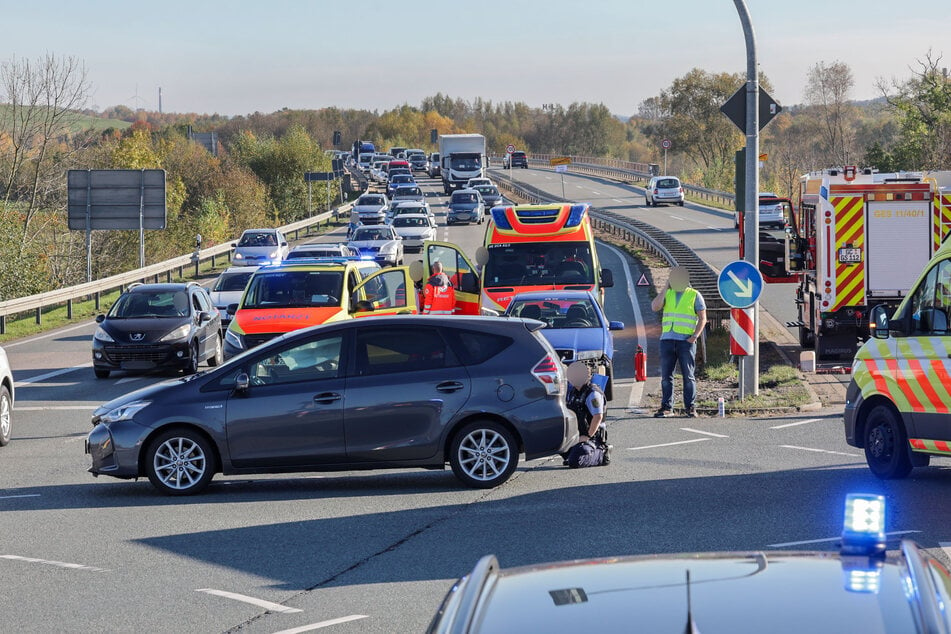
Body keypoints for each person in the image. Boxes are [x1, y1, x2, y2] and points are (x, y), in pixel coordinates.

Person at [651, 266, 707, 418]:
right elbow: (655, 307)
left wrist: (694, 337)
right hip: (667, 340)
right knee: (666, 376)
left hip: (685, 341)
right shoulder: (667, 293)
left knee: (688, 376)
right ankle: (667, 407)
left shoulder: (694, 295)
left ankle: (690, 407)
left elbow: (703, 318)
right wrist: (665, 288)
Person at [563, 361, 611, 468]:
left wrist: (587, 436)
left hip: (591, 437)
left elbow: (598, 416)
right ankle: (574, 453)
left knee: (576, 461)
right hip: (577, 435)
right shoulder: (573, 392)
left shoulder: (593, 394)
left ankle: (601, 455)